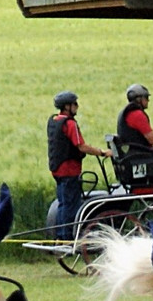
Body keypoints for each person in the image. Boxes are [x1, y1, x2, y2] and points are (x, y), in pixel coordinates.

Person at [47, 90, 112, 239]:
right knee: (71, 205)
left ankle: (61, 238)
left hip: (57, 170)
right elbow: (81, 146)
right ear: (67, 107)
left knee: (63, 204)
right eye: (75, 104)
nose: (77, 106)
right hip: (70, 170)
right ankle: (69, 238)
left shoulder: (54, 121)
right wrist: (102, 152)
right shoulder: (70, 124)